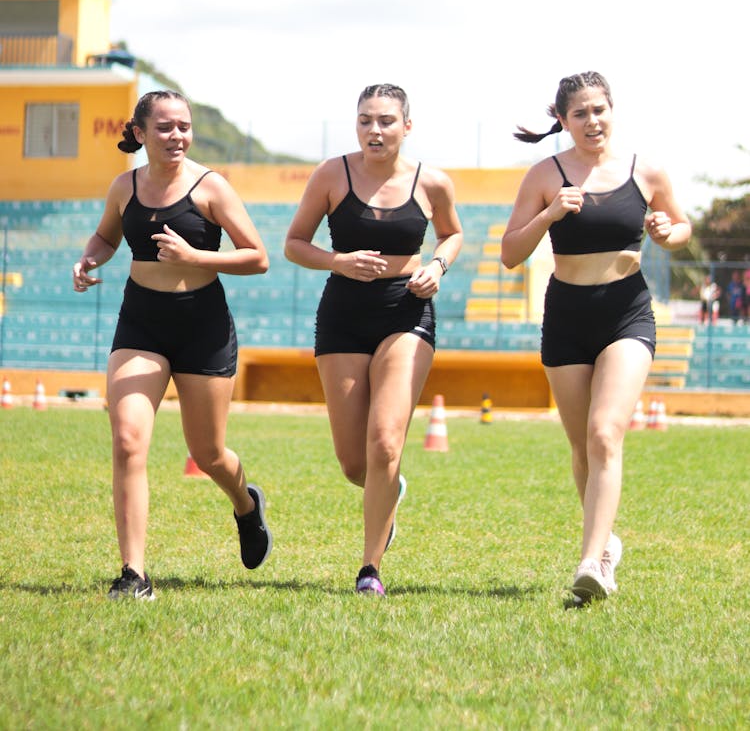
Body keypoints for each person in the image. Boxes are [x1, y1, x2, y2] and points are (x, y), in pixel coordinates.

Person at [73, 90, 273, 600]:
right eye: (164, 127)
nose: (177, 136)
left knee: (208, 453)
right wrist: (88, 259)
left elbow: (258, 257)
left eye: (183, 126)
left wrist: (195, 257)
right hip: (141, 323)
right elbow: (106, 238)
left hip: (202, 327)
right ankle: (134, 574)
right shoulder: (125, 186)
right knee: (127, 439)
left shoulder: (211, 188)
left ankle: (246, 505)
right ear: (139, 134)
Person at [500, 71, 690, 604]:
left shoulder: (644, 170)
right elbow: (510, 253)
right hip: (566, 315)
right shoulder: (544, 175)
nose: (592, 121)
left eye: (599, 109)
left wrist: (666, 233)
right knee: (582, 447)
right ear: (562, 121)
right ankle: (606, 544)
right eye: (579, 113)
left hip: (626, 311)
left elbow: (682, 226)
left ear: (613, 111)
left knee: (606, 433)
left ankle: (591, 563)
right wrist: (550, 213)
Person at [284, 84, 463, 596]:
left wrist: (437, 265)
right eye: (365, 120)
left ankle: (370, 570)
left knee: (386, 441)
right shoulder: (330, 175)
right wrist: (336, 260)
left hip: (406, 310)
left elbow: (452, 234)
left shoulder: (432, 182)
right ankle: (390, 493)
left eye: (386, 120)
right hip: (342, 313)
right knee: (354, 463)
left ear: (407, 126)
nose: (375, 130)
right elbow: (294, 243)